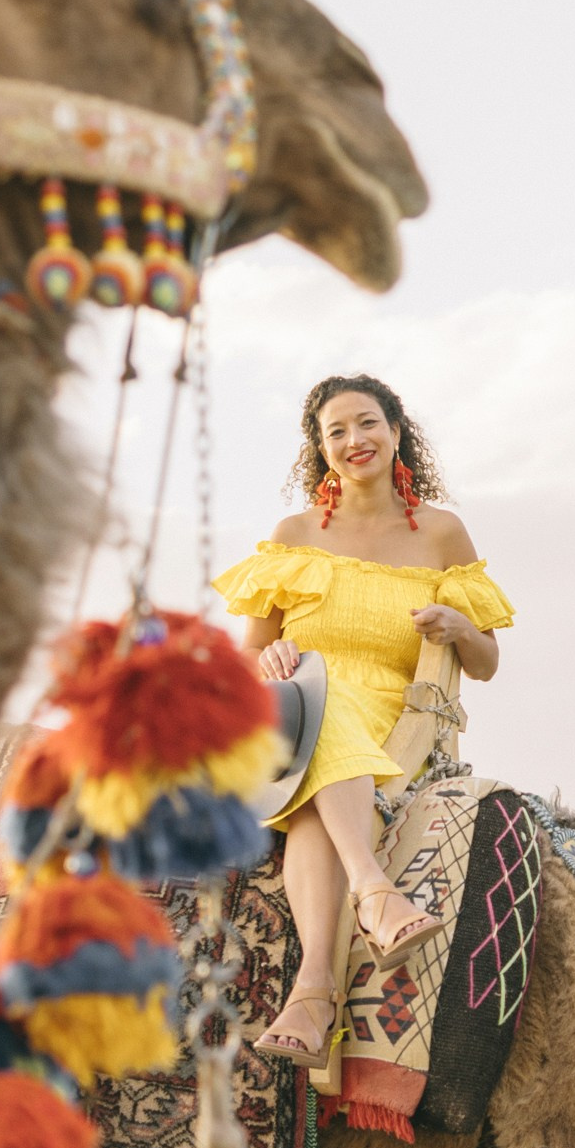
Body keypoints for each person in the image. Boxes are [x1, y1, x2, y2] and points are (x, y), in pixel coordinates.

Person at [214, 375, 512, 1066]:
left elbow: (487, 660)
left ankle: (312, 991)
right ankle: (375, 896)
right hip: (297, 709)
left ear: (396, 430)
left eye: (366, 424)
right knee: (326, 709)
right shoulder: (294, 536)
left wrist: (460, 625)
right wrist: (272, 655)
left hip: (395, 718)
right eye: (336, 432)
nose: (354, 441)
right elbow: (249, 654)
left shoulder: (441, 533)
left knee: (322, 792)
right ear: (319, 451)